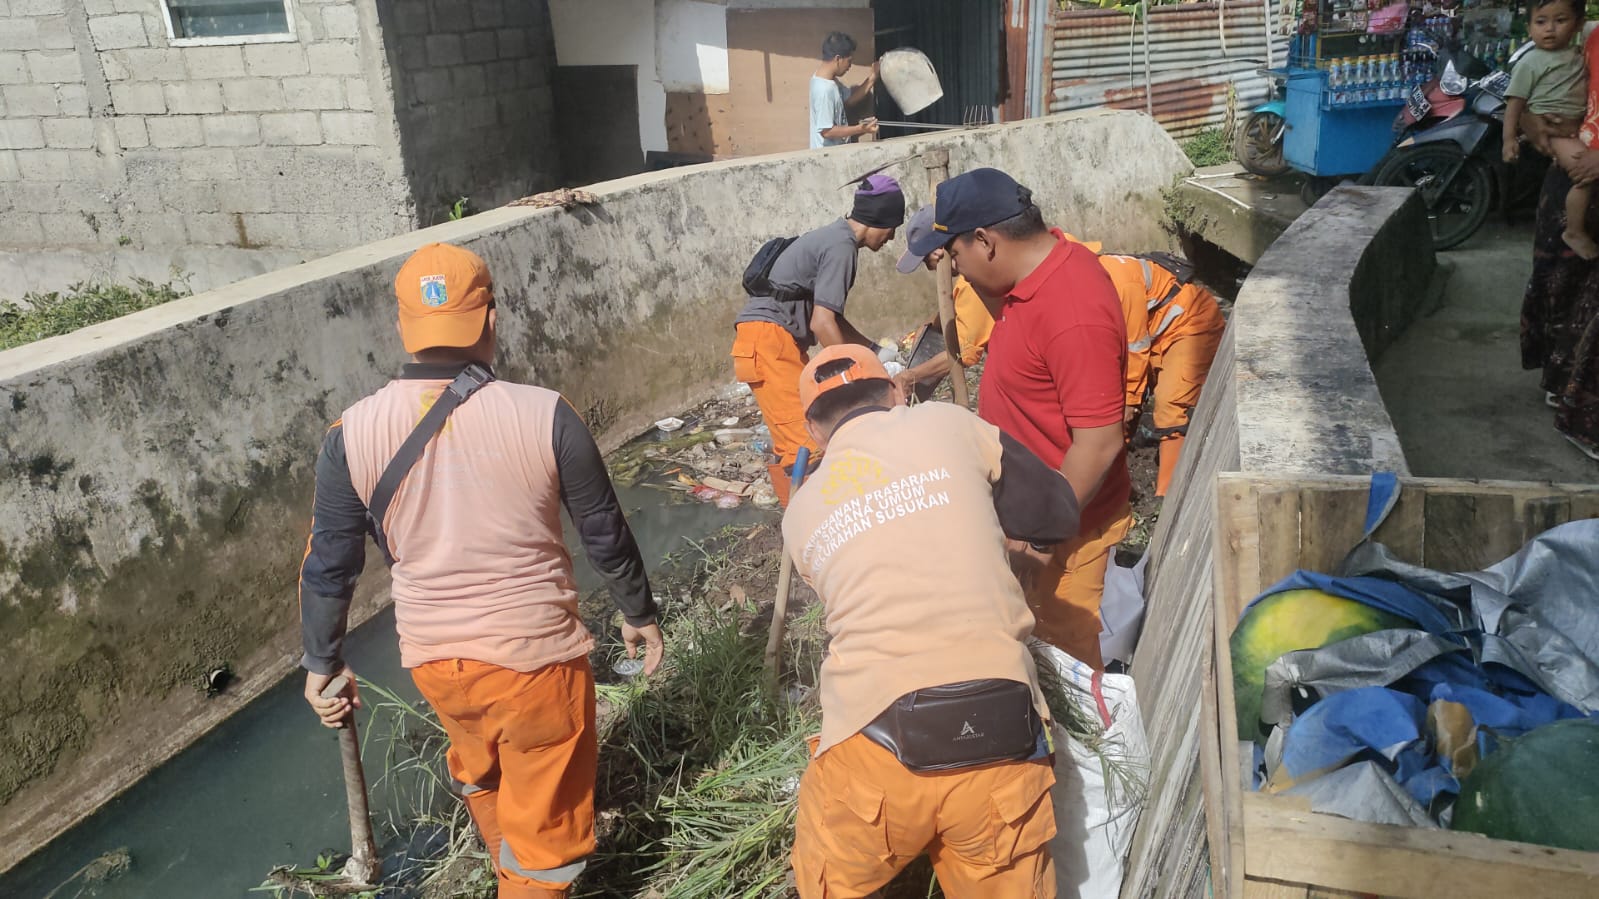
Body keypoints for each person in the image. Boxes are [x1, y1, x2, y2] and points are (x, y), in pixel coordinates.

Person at [297, 243, 666, 899]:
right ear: (491, 319)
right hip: (535, 662)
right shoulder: (545, 413)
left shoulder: (349, 434)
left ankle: (506, 870)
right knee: (546, 845)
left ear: (402, 326)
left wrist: (322, 661)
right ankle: (525, 879)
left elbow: (330, 564)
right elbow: (603, 528)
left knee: (483, 769)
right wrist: (637, 611)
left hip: (438, 662)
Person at [782, 344, 1080, 897]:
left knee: (831, 880)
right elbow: (1056, 511)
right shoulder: (949, 422)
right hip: (1000, 728)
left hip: (874, 744)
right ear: (897, 392)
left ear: (814, 433)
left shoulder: (801, 511)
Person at [906, 169, 1132, 669]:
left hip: (1066, 528)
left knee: (1066, 655)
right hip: (1033, 510)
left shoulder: (1071, 311)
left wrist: (1039, 538)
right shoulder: (1028, 278)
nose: (955, 271)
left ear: (986, 241)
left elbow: (1099, 444)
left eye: (957, 256)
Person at [731, 175, 905, 497]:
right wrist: (858, 378)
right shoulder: (842, 247)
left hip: (770, 340)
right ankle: (805, 521)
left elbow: (829, 316)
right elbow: (822, 324)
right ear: (880, 220)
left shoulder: (832, 237)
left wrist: (871, 350)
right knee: (805, 444)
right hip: (769, 342)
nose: (892, 237)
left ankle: (806, 512)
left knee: (802, 433)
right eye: (893, 227)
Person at [1522, 18, 1599, 461]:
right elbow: (1530, 97)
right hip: (1571, 175)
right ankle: (1559, 381)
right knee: (1558, 281)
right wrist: (1537, 126)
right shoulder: (1585, 36)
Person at [1096, 252, 1227, 497]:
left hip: (1189, 324)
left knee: (1171, 404)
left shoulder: (1120, 283)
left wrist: (1129, 401)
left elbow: (1135, 347)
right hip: (1153, 331)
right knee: (1112, 406)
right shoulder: (1083, 283)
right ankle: (1112, 487)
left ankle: (1168, 496)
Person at [1504, 0, 1595, 258]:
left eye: (1560, 21)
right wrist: (1509, 138)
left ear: (1577, 24)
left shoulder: (1578, 52)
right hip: (1558, 133)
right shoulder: (1530, 62)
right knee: (1585, 175)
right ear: (1529, 27)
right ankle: (1574, 231)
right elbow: (1515, 103)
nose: (1550, 29)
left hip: (1576, 132)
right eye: (1541, 22)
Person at [810, 31, 879, 149]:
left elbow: (849, 100)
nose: (850, 66)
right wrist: (860, 129)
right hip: (828, 156)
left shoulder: (829, 80)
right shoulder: (824, 90)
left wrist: (872, 78)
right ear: (838, 59)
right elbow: (827, 131)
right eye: (849, 61)